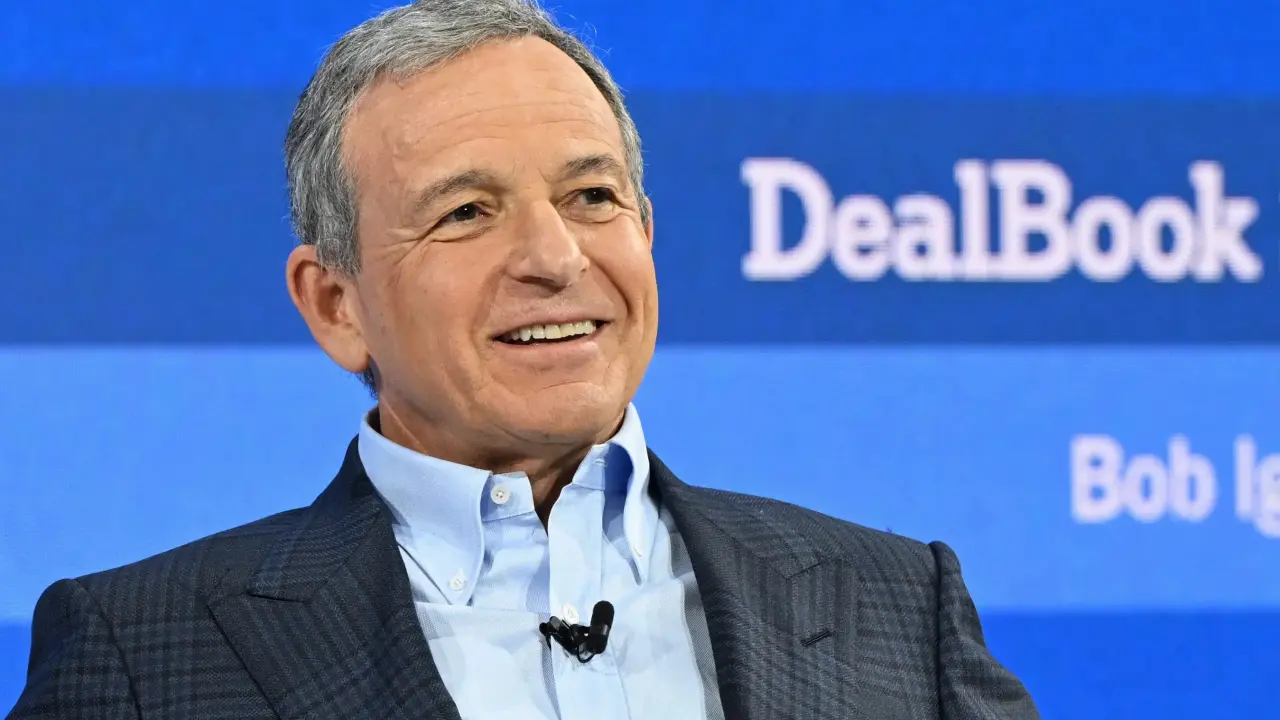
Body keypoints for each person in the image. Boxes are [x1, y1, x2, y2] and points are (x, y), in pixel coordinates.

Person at [7, 1, 1039, 718]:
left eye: (592, 197)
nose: (556, 257)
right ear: (336, 304)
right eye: (466, 212)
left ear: (645, 233)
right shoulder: (142, 652)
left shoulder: (896, 603)